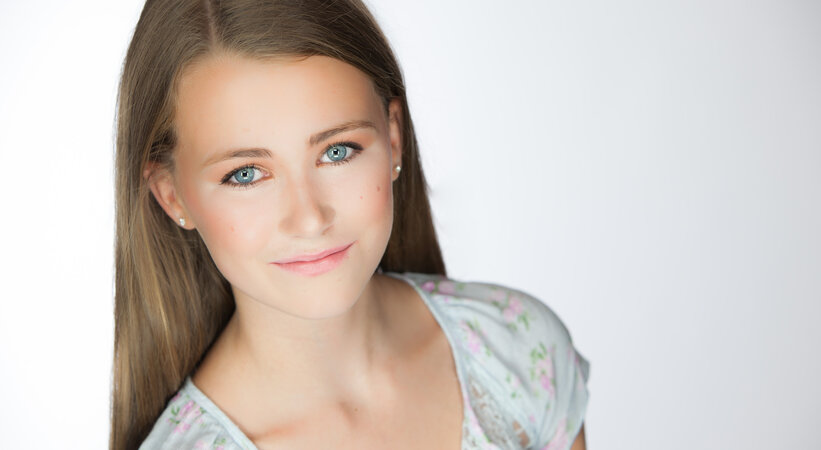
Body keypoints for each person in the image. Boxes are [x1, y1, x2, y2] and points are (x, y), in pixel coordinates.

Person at [110, 0, 591, 449]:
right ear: (172, 196)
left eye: (337, 151)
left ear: (394, 137)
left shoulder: (517, 352)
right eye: (246, 174)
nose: (309, 218)